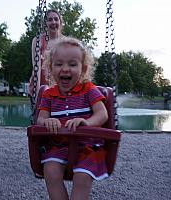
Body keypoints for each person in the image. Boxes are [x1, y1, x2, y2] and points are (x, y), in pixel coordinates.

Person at [36, 37, 109, 200]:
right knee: (50, 170)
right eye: (59, 64)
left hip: (87, 148)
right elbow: (40, 120)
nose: (65, 69)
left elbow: (102, 113)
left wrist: (87, 123)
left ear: (83, 69)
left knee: (82, 177)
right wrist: (47, 121)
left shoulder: (88, 89)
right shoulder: (49, 94)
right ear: (50, 68)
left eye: (72, 64)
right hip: (59, 146)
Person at [28, 9, 64, 97]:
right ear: (45, 24)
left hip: (60, 86)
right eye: (50, 20)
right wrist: (38, 93)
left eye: (56, 19)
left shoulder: (65, 42)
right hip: (41, 85)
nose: (53, 22)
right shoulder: (38, 41)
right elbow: (37, 68)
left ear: (60, 22)